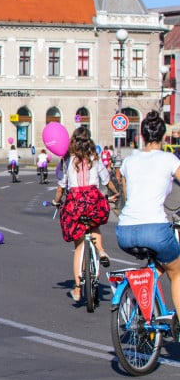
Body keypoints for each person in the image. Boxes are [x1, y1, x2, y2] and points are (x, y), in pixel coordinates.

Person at [116, 111, 180, 315]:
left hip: (124, 232)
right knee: (177, 270)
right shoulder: (169, 159)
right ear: (163, 136)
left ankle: (137, 293)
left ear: (141, 136)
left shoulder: (129, 161)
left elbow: (126, 194)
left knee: (159, 262)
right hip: (155, 229)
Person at [52, 126, 119, 300]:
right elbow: (107, 180)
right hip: (93, 199)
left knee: (79, 246)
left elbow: (61, 187)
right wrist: (115, 192)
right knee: (94, 224)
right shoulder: (94, 159)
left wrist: (56, 201)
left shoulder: (67, 160)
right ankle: (102, 251)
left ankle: (77, 288)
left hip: (75, 202)